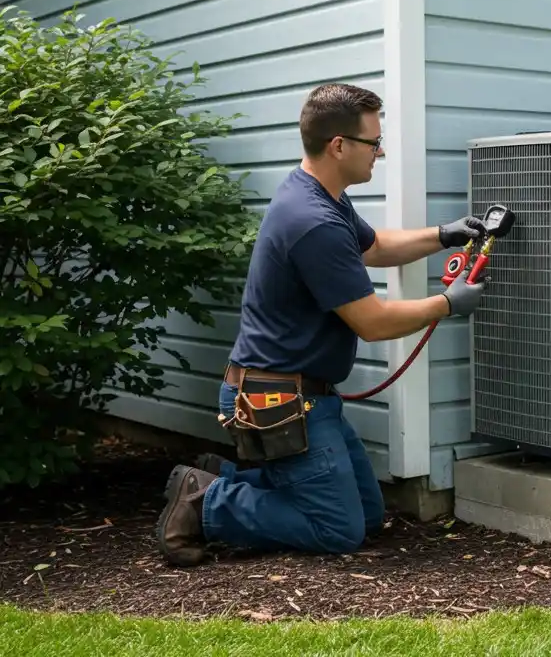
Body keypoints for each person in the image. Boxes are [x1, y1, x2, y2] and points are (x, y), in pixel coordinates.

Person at [154, 83, 488, 567]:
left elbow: (374, 247)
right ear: (339, 146)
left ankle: (223, 477)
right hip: (279, 402)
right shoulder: (313, 221)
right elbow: (372, 322)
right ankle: (207, 501)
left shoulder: (319, 195)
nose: (381, 152)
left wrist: (443, 235)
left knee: (367, 515)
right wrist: (447, 304)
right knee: (337, 529)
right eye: (374, 142)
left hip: (307, 396)